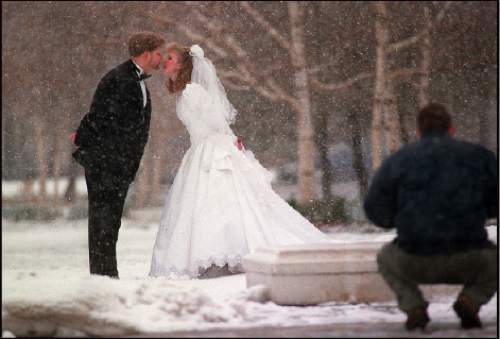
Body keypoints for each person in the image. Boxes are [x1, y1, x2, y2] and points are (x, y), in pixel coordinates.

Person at [149, 43, 330, 279]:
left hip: (210, 150)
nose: (165, 61)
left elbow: (216, 122)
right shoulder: (186, 91)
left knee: (216, 204)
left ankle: (222, 254)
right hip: (201, 150)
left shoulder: (193, 92)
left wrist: (231, 142)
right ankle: (216, 255)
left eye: (170, 58)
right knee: (210, 205)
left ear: (183, 65)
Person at [364, 103, 498, 331]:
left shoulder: (398, 161)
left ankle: (413, 305)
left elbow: (375, 209)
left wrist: (400, 221)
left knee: (385, 257)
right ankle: (471, 301)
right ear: (451, 129)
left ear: (418, 131)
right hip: (470, 257)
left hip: (414, 259)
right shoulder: (479, 157)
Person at [71, 32, 166, 278]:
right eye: (158, 54)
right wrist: (82, 137)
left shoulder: (137, 81)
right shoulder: (119, 79)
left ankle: (107, 275)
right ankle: (103, 278)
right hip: (105, 165)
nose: (161, 59)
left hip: (118, 166)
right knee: (103, 223)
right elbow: (99, 115)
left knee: (111, 223)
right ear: (146, 54)